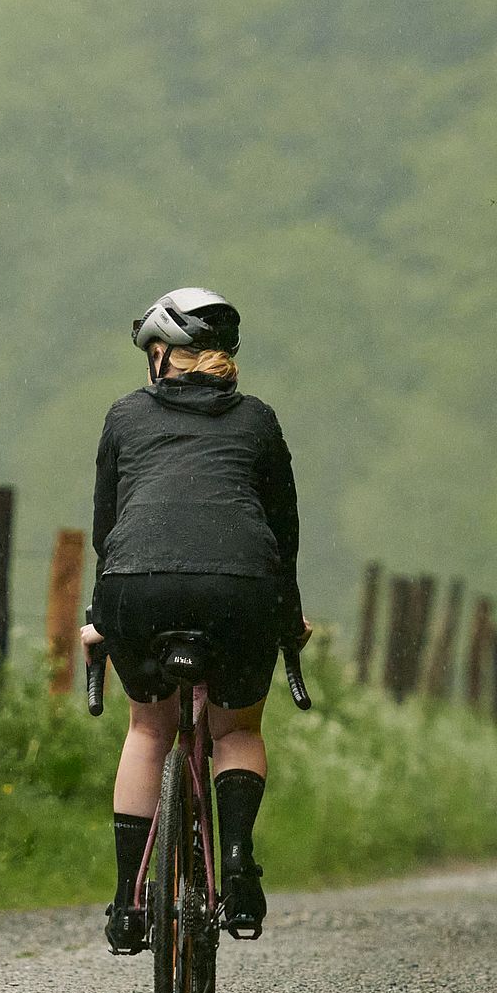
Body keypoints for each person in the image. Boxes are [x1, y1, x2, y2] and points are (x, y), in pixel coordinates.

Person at [88, 286, 304, 950]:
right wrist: (288, 618)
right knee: (235, 729)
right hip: (239, 590)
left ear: (161, 356)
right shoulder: (259, 421)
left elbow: (107, 527)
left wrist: (102, 616)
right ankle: (236, 863)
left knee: (150, 727)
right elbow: (282, 530)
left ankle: (127, 903)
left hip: (138, 587)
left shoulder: (125, 416)